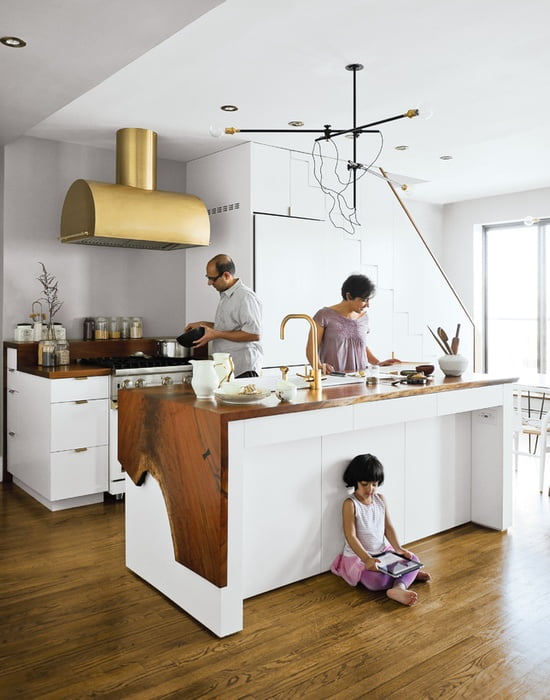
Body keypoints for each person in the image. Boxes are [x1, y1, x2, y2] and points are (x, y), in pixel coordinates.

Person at [331, 453, 431, 606]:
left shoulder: (380, 500)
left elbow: (388, 528)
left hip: (383, 551)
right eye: (365, 484)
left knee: (414, 559)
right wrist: (367, 559)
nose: (370, 489)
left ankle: (399, 587)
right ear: (355, 481)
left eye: (374, 484)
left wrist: (398, 549)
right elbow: (350, 536)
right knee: (376, 581)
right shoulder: (350, 504)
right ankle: (405, 577)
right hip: (360, 557)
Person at [184, 254, 263, 378]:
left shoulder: (245, 297)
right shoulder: (226, 296)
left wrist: (217, 334)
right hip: (228, 370)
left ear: (226, 275)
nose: (209, 283)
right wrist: (204, 325)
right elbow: (232, 326)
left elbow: (254, 334)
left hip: (243, 370)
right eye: (207, 277)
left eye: (212, 279)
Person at [307, 273, 399, 374]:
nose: (368, 305)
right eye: (363, 300)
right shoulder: (324, 315)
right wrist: (320, 367)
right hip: (333, 378)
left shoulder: (364, 318)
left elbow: (361, 346)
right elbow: (311, 348)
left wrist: (377, 363)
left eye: (368, 300)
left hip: (361, 378)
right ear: (349, 296)